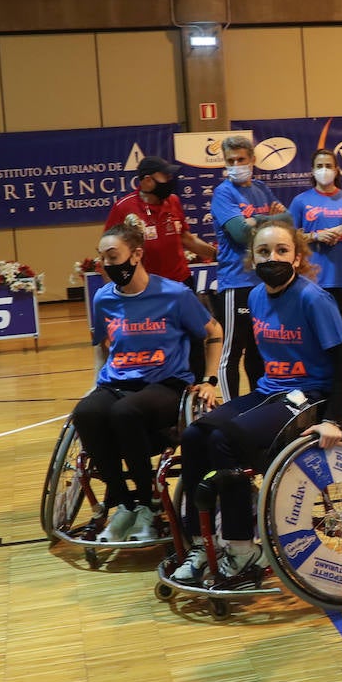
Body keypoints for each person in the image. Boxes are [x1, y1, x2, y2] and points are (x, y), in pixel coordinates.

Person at [172, 221, 342, 584]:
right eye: (263, 251)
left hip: (311, 394)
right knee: (195, 435)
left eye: (281, 250)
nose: (272, 258)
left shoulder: (313, 298)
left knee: (225, 439)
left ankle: (243, 547)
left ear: (297, 256)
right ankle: (200, 540)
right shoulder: (255, 296)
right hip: (272, 390)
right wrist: (252, 403)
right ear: (252, 258)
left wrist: (334, 418)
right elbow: (258, 358)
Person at [77, 221, 222, 543]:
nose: (107, 265)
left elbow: (214, 332)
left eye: (114, 256)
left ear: (137, 254)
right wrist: (95, 382)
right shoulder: (103, 298)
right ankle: (123, 504)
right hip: (117, 382)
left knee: (124, 414)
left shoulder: (175, 294)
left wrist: (210, 379)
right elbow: (100, 345)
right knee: (86, 413)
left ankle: (149, 504)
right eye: (102, 258)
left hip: (165, 384)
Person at [210, 135, 285, 399]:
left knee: (260, 349)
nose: (236, 164)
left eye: (241, 159)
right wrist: (268, 218)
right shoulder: (223, 193)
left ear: (252, 160)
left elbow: (285, 222)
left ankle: (260, 403)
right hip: (236, 283)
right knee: (232, 351)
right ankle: (231, 409)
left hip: (264, 281)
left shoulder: (262, 189)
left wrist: (254, 220)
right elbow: (240, 233)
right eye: (230, 160)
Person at [105, 155, 216, 289]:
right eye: (165, 176)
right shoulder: (123, 207)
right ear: (147, 181)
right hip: (147, 286)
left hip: (181, 281)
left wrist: (217, 255)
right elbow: (109, 252)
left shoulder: (173, 200)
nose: (170, 180)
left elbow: (187, 239)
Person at [290, 148, 342, 324]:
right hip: (310, 279)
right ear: (312, 170)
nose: (324, 169)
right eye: (319, 166)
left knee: (340, 333)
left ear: (336, 170)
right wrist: (315, 236)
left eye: (328, 165)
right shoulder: (300, 201)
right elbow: (289, 239)